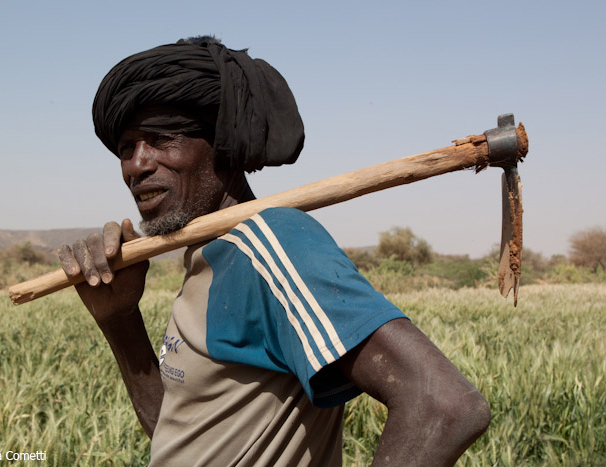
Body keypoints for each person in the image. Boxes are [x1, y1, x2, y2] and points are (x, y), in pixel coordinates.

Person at [58, 36, 490, 466]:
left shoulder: (269, 243)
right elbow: (182, 434)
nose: (137, 165)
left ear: (222, 143)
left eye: (162, 138)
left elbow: (442, 405)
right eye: (126, 148)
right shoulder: (210, 255)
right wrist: (119, 319)